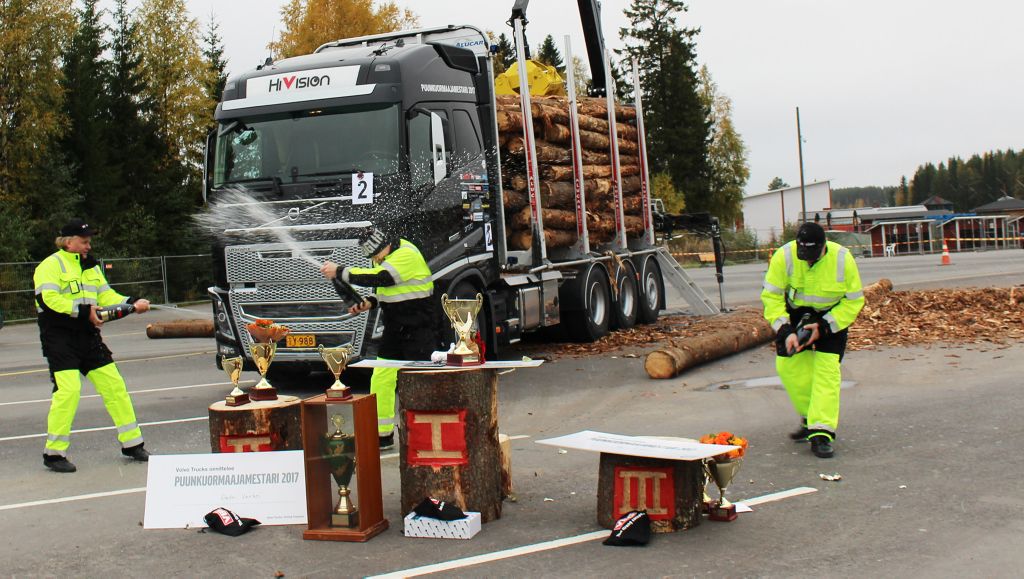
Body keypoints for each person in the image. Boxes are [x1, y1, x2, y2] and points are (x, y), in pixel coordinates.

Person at [34, 218, 153, 473]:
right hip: (59, 337)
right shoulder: (50, 266)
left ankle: (132, 444)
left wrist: (132, 302)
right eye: (84, 241)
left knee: (114, 386)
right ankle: (53, 453)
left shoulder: (91, 267)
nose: (88, 246)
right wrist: (84, 311)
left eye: (89, 242)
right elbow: (48, 300)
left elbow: (106, 295)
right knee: (69, 391)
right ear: (68, 242)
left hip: (87, 337)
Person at [320, 227, 438, 450]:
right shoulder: (383, 255)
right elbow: (385, 289)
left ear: (386, 243)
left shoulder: (406, 254)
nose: (375, 259)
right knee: (381, 377)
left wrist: (339, 271)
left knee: (421, 380)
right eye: (372, 256)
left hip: (418, 325)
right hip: (395, 326)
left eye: (376, 254)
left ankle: (427, 432)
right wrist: (369, 303)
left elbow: (384, 277)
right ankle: (382, 434)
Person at [761, 222, 864, 459]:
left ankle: (821, 432)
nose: (807, 261)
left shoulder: (843, 259)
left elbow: (854, 301)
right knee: (788, 366)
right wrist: (785, 330)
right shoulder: (783, 256)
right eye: (803, 255)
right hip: (796, 314)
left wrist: (824, 327)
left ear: (823, 247)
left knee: (826, 372)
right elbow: (772, 296)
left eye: (812, 257)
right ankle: (810, 417)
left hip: (831, 317)